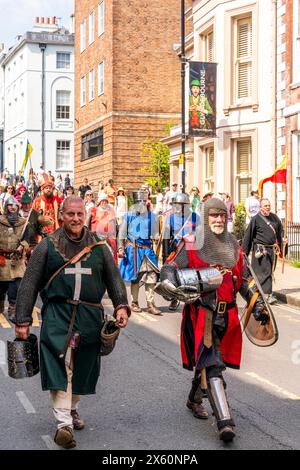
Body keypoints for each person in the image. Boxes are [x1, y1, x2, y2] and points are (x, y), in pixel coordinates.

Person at [14, 196, 130, 449]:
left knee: (84, 366)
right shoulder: (47, 246)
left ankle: (72, 407)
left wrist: (121, 305)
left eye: (79, 214)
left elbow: (114, 279)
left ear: (84, 216)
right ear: (61, 216)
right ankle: (63, 423)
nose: (76, 219)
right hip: (57, 313)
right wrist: (22, 319)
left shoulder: (99, 246)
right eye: (70, 214)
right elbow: (30, 283)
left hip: (90, 315)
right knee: (59, 362)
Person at [156, 198, 270, 442]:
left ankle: (194, 398)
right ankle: (225, 422)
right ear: (206, 219)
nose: (219, 220)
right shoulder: (193, 244)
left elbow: (246, 280)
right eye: (214, 216)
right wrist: (169, 282)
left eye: (222, 216)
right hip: (203, 317)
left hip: (227, 317)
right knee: (214, 365)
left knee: (210, 362)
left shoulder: (234, 246)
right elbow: (170, 267)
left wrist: (257, 303)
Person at [118, 191, 161, 315]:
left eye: (143, 202)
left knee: (152, 275)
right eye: (139, 203)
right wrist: (121, 248)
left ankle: (150, 303)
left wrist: (156, 235)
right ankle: (134, 302)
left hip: (148, 249)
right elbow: (121, 233)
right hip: (134, 249)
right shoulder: (129, 215)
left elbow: (154, 232)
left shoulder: (151, 216)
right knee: (136, 277)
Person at [242, 198, 284, 304]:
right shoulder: (255, 219)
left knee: (269, 272)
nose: (268, 207)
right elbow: (248, 236)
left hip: (272, 249)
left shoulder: (274, 217)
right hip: (261, 250)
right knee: (265, 272)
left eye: (269, 205)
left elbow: (279, 232)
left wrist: (282, 245)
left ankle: (259, 293)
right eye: (265, 205)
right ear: (260, 207)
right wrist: (244, 254)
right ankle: (267, 295)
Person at [161, 193, 198, 311]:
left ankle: (192, 299)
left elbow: (202, 234)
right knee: (173, 274)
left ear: (185, 205)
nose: (176, 207)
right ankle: (174, 299)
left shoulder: (195, 217)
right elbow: (166, 237)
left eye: (179, 205)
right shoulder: (171, 218)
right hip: (176, 250)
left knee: (190, 275)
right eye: (176, 204)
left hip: (191, 250)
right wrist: (166, 254)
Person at [0, 197, 29, 320]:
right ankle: (0, 307)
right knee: (0, 288)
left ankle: (12, 310)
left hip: (16, 260)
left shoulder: (23, 223)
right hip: (1, 259)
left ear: (18, 207)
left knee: (14, 287)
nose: (12, 207)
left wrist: (22, 247)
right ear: (6, 207)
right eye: (10, 205)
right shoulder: (0, 221)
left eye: (15, 205)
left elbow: (27, 239)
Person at [88, 194, 118, 263]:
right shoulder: (93, 210)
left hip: (110, 239)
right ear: (99, 201)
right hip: (96, 239)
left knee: (110, 260)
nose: (104, 202)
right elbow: (86, 225)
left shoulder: (111, 211)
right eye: (102, 201)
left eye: (105, 201)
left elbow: (116, 227)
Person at [32, 173, 59, 239]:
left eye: (50, 188)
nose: (48, 189)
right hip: (41, 234)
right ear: (42, 189)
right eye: (46, 188)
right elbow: (33, 218)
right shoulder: (37, 201)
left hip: (55, 232)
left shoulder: (57, 200)